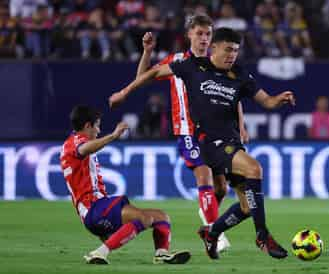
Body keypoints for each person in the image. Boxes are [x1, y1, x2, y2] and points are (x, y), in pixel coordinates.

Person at [109, 27, 295, 260]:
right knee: (254, 168)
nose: (232, 55)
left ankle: (212, 233)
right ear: (213, 48)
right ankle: (262, 236)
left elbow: (266, 101)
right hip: (209, 142)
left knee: (247, 207)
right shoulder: (192, 66)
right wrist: (124, 92)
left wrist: (279, 99)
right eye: (228, 49)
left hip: (232, 143)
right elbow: (153, 73)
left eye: (236, 51)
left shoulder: (240, 75)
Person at [135, 14, 250, 252]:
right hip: (188, 131)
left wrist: (241, 125)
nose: (204, 39)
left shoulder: (217, 62)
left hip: (216, 132)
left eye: (208, 34)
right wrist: (147, 52)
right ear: (189, 34)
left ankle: (207, 213)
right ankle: (213, 232)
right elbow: (141, 78)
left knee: (220, 188)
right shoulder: (177, 61)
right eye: (199, 33)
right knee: (204, 177)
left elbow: (233, 95)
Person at [60, 105, 191, 265]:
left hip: (98, 208)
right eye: (97, 125)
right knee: (144, 219)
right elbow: (84, 149)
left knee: (161, 217)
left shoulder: (72, 143)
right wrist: (113, 136)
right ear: (88, 126)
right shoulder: (76, 142)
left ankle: (161, 253)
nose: (99, 130)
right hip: (94, 208)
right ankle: (98, 253)